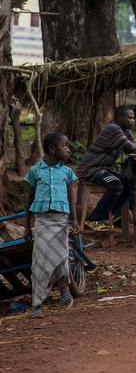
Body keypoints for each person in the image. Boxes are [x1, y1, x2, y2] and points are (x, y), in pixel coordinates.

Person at [23, 133, 79, 317]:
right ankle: (38, 303)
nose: (69, 150)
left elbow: (71, 199)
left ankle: (64, 288)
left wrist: (75, 220)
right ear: (53, 149)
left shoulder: (67, 172)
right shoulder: (35, 171)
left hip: (61, 222)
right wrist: (26, 226)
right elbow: (29, 200)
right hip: (43, 222)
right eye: (65, 146)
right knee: (39, 263)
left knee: (62, 258)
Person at [77, 105, 136, 223]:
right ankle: (96, 217)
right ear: (120, 118)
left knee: (132, 185)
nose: (133, 121)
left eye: (134, 118)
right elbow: (133, 147)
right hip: (90, 169)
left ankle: (108, 214)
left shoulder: (126, 132)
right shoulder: (113, 129)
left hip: (102, 169)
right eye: (130, 118)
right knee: (116, 184)